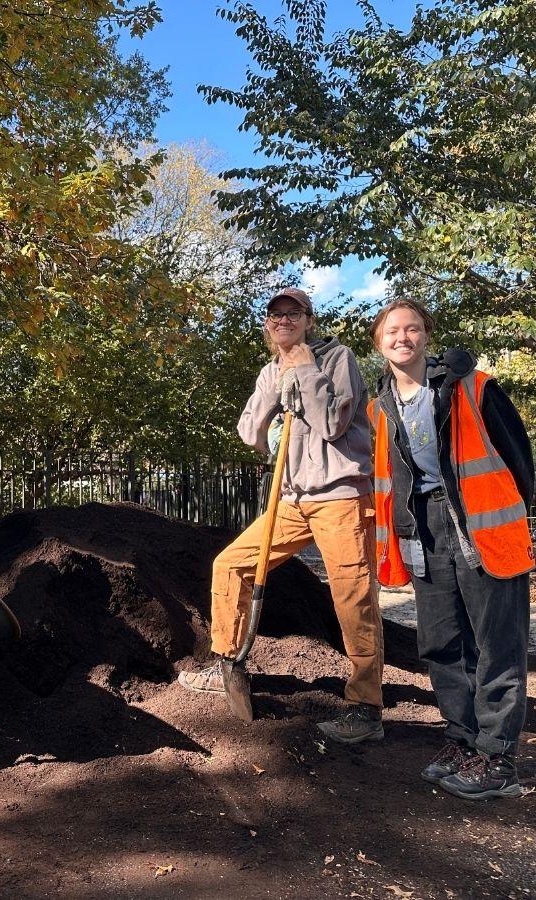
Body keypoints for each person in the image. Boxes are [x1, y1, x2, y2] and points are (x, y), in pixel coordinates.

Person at [178, 287, 385, 744]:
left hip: (340, 496)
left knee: (353, 597)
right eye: (275, 317)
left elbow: (333, 423)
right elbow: (249, 432)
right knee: (231, 564)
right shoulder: (271, 369)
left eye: (294, 314)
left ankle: (366, 707)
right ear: (268, 326)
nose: (284, 321)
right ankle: (227, 661)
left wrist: (304, 369)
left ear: (310, 320)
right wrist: (276, 383)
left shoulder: (338, 359)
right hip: (289, 500)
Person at [370, 299, 534, 800]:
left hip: (480, 528)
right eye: (393, 331)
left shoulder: (472, 387)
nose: (403, 337)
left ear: (426, 336)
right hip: (425, 529)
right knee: (441, 643)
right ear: (379, 344)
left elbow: (518, 460)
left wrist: (504, 516)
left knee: (495, 642)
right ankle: (462, 741)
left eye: (413, 328)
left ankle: (496, 755)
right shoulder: (381, 406)